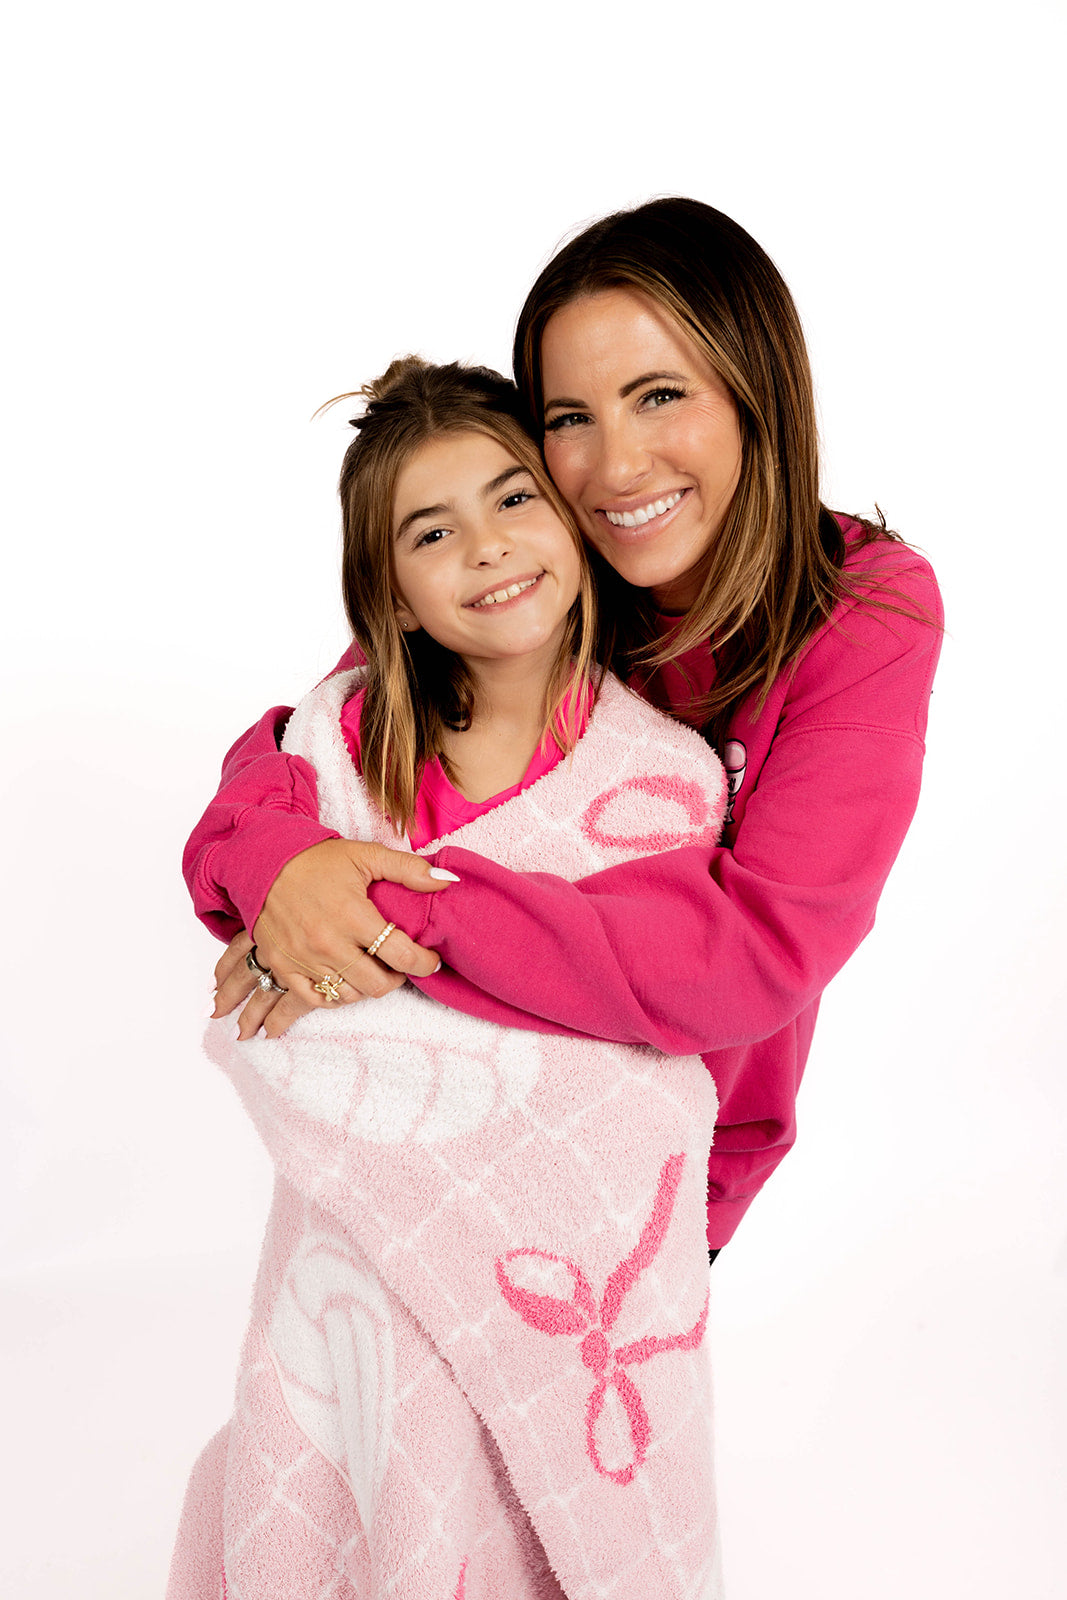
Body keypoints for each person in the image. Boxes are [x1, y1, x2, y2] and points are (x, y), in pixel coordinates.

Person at [188, 196, 943, 1254]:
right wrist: (276, 870)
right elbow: (322, 729)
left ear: (753, 391)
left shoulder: (858, 609)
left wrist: (384, 913)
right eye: (569, 417)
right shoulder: (553, 552)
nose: (615, 468)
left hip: (660, 1166)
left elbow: (758, 944)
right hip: (439, 1143)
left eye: (658, 396)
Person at [169, 357, 729, 1597]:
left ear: (574, 521)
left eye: (514, 498)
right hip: (353, 1262)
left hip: (551, 1275)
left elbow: (644, 1052)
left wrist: (386, 984)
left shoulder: (665, 787)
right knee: (366, 1486)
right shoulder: (340, 750)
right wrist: (306, 953)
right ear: (395, 596)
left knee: (499, 1512)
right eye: (434, 531)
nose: (486, 548)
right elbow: (275, 1005)